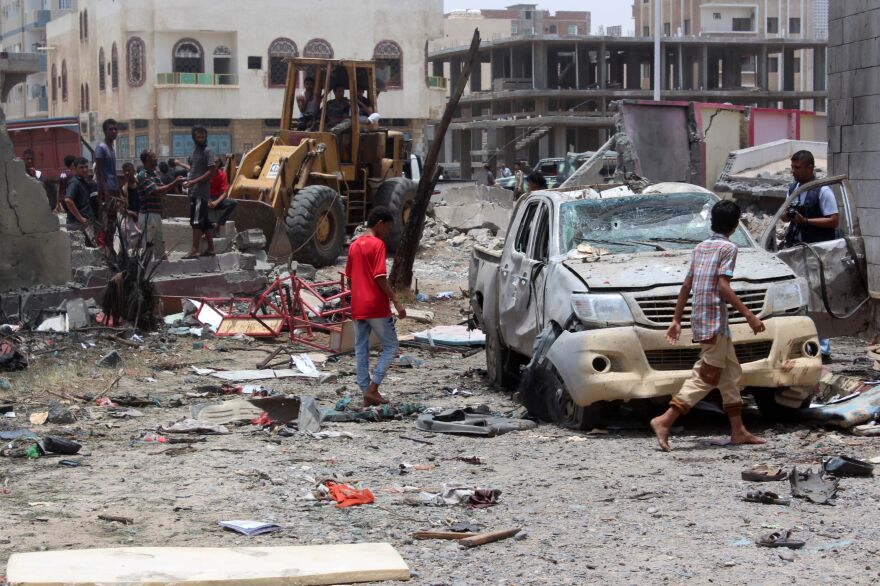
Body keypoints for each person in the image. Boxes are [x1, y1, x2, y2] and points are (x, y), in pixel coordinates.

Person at [650, 200, 766, 452]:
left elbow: (686, 284)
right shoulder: (728, 248)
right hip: (714, 321)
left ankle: (738, 430)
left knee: (730, 375)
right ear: (735, 226)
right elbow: (723, 286)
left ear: (713, 221)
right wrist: (750, 315)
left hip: (704, 319)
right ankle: (664, 420)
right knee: (706, 376)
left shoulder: (701, 247)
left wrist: (677, 319)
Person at [781, 149, 839, 363]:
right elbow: (784, 219)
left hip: (817, 252)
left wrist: (806, 221)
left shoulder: (822, 190)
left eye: (797, 168)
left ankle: (823, 349)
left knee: (817, 299)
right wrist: (789, 217)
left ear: (809, 168)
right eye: (792, 167)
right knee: (798, 299)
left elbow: (834, 220)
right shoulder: (793, 188)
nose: (793, 171)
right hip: (796, 250)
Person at [346, 207, 407, 407]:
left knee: (361, 348)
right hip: (375, 305)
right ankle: (373, 388)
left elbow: (349, 279)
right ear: (380, 223)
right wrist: (396, 301)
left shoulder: (354, 246)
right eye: (388, 226)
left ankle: (366, 393)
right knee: (391, 346)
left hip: (358, 305)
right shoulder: (377, 244)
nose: (388, 231)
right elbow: (380, 276)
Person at [137, 150, 184, 259]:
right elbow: (156, 191)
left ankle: (160, 267)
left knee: (159, 244)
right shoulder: (142, 175)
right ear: (148, 159)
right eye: (154, 156)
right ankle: (146, 270)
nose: (157, 158)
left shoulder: (154, 174)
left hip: (156, 214)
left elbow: (162, 190)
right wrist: (174, 183)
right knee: (148, 246)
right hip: (148, 215)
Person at [183, 126, 217, 258]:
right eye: (198, 136)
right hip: (193, 191)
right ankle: (211, 249)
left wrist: (193, 182)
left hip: (200, 192)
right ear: (194, 138)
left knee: (196, 221)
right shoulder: (193, 152)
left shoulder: (208, 151)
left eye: (203, 136)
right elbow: (193, 169)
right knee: (205, 221)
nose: (201, 139)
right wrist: (188, 181)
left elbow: (211, 172)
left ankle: (195, 249)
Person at [95, 119, 120, 248]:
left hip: (113, 190)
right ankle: (102, 250)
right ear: (105, 131)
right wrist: (105, 192)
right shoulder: (101, 148)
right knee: (105, 224)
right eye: (111, 129)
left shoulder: (112, 148)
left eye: (115, 129)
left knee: (112, 224)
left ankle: (109, 250)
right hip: (106, 192)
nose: (114, 131)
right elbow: (99, 172)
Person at [63, 157, 95, 241]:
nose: (84, 169)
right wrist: (80, 218)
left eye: (86, 167)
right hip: (76, 224)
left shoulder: (84, 181)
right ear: (75, 168)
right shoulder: (75, 182)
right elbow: (68, 200)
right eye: (81, 167)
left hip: (85, 223)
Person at [208, 155, 237, 236]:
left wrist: (216, 202)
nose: (213, 164)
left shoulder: (222, 175)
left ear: (219, 163)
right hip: (206, 198)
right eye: (212, 163)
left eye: (216, 162)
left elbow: (225, 192)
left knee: (233, 203)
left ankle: (219, 224)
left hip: (216, 198)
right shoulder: (206, 174)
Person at [119, 162, 141, 247]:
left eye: (129, 170)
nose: (127, 173)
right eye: (125, 171)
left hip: (142, 217)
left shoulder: (141, 185)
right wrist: (129, 212)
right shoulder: (124, 188)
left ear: (134, 171)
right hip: (130, 219)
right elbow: (120, 207)